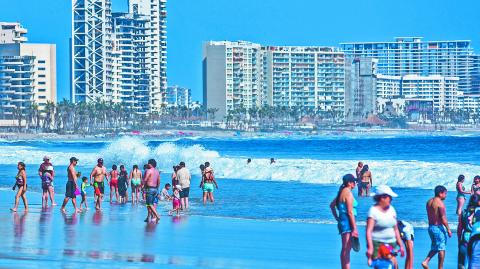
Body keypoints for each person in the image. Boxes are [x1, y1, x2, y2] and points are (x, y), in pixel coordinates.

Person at [366, 185, 404, 268]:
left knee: (393, 265)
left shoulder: (392, 209)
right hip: (377, 243)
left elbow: (395, 229)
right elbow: (369, 231)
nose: (391, 199)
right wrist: (370, 247)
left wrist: (400, 245)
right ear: (382, 198)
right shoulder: (373, 211)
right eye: (389, 197)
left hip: (391, 242)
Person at [329, 174, 358, 269]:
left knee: (345, 248)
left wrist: (337, 218)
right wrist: (354, 228)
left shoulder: (341, 192)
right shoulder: (348, 193)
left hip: (343, 221)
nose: (355, 183)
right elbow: (350, 212)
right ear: (349, 183)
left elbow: (332, 205)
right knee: (346, 248)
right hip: (347, 222)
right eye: (354, 181)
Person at [422, 185, 452, 269]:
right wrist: (448, 229)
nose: (446, 195)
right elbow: (443, 219)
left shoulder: (429, 202)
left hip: (431, 227)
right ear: (440, 193)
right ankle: (440, 267)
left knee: (435, 246)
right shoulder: (440, 204)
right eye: (445, 193)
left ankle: (426, 261)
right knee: (441, 249)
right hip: (437, 228)